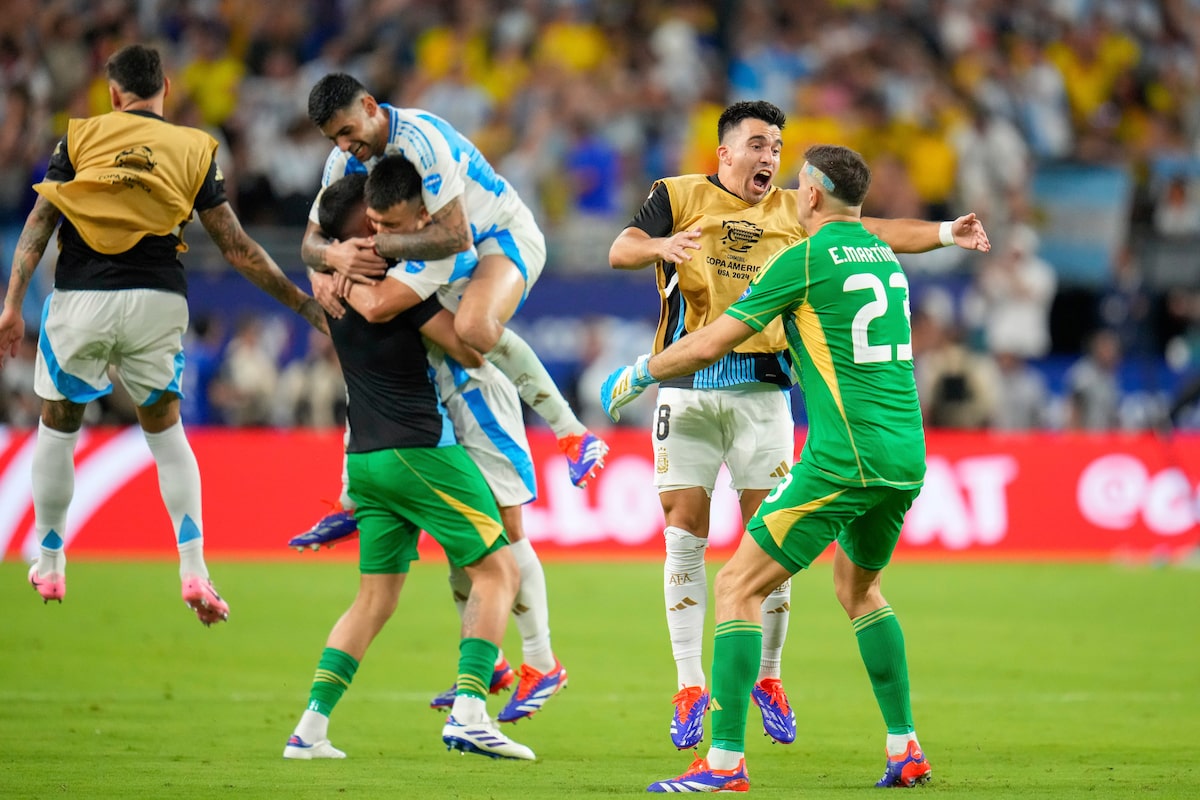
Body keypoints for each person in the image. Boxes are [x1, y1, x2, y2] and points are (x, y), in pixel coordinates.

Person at [606, 100, 990, 751]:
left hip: (765, 395)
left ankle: (757, 700)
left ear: (810, 190)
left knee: (753, 564)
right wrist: (659, 246)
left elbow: (877, 229)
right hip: (707, 399)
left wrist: (639, 371)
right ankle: (691, 685)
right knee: (697, 539)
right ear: (723, 152)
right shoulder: (678, 194)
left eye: (778, 147)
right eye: (757, 143)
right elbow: (621, 249)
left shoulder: (799, 226)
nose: (769, 157)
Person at [0, 44, 326, 624]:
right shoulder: (195, 148)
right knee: (166, 432)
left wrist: (11, 304)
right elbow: (238, 249)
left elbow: (38, 224)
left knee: (58, 424)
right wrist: (303, 304)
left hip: (81, 299)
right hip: (158, 302)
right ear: (165, 90)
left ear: (114, 95)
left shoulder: (78, 138)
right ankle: (194, 567)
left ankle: (50, 561)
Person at [291, 72, 608, 550]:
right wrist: (329, 263)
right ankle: (350, 497)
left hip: (497, 237)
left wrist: (372, 248)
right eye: (333, 138)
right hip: (436, 252)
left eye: (347, 131)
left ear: (370, 107)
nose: (344, 145)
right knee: (386, 355)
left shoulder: (423, 140)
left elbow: (456, 236)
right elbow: (312, 242)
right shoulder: (343, 162)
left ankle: (573, 435)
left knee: (475, 327)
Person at [282, 174, 534, 761]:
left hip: (364, 461)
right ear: (368, 229)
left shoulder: (332, 287)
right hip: (420, 451)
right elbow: (470, 348)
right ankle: (471, 711)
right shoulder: (397, 292)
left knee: (374, 599)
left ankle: (310, 729)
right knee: (499, 571)